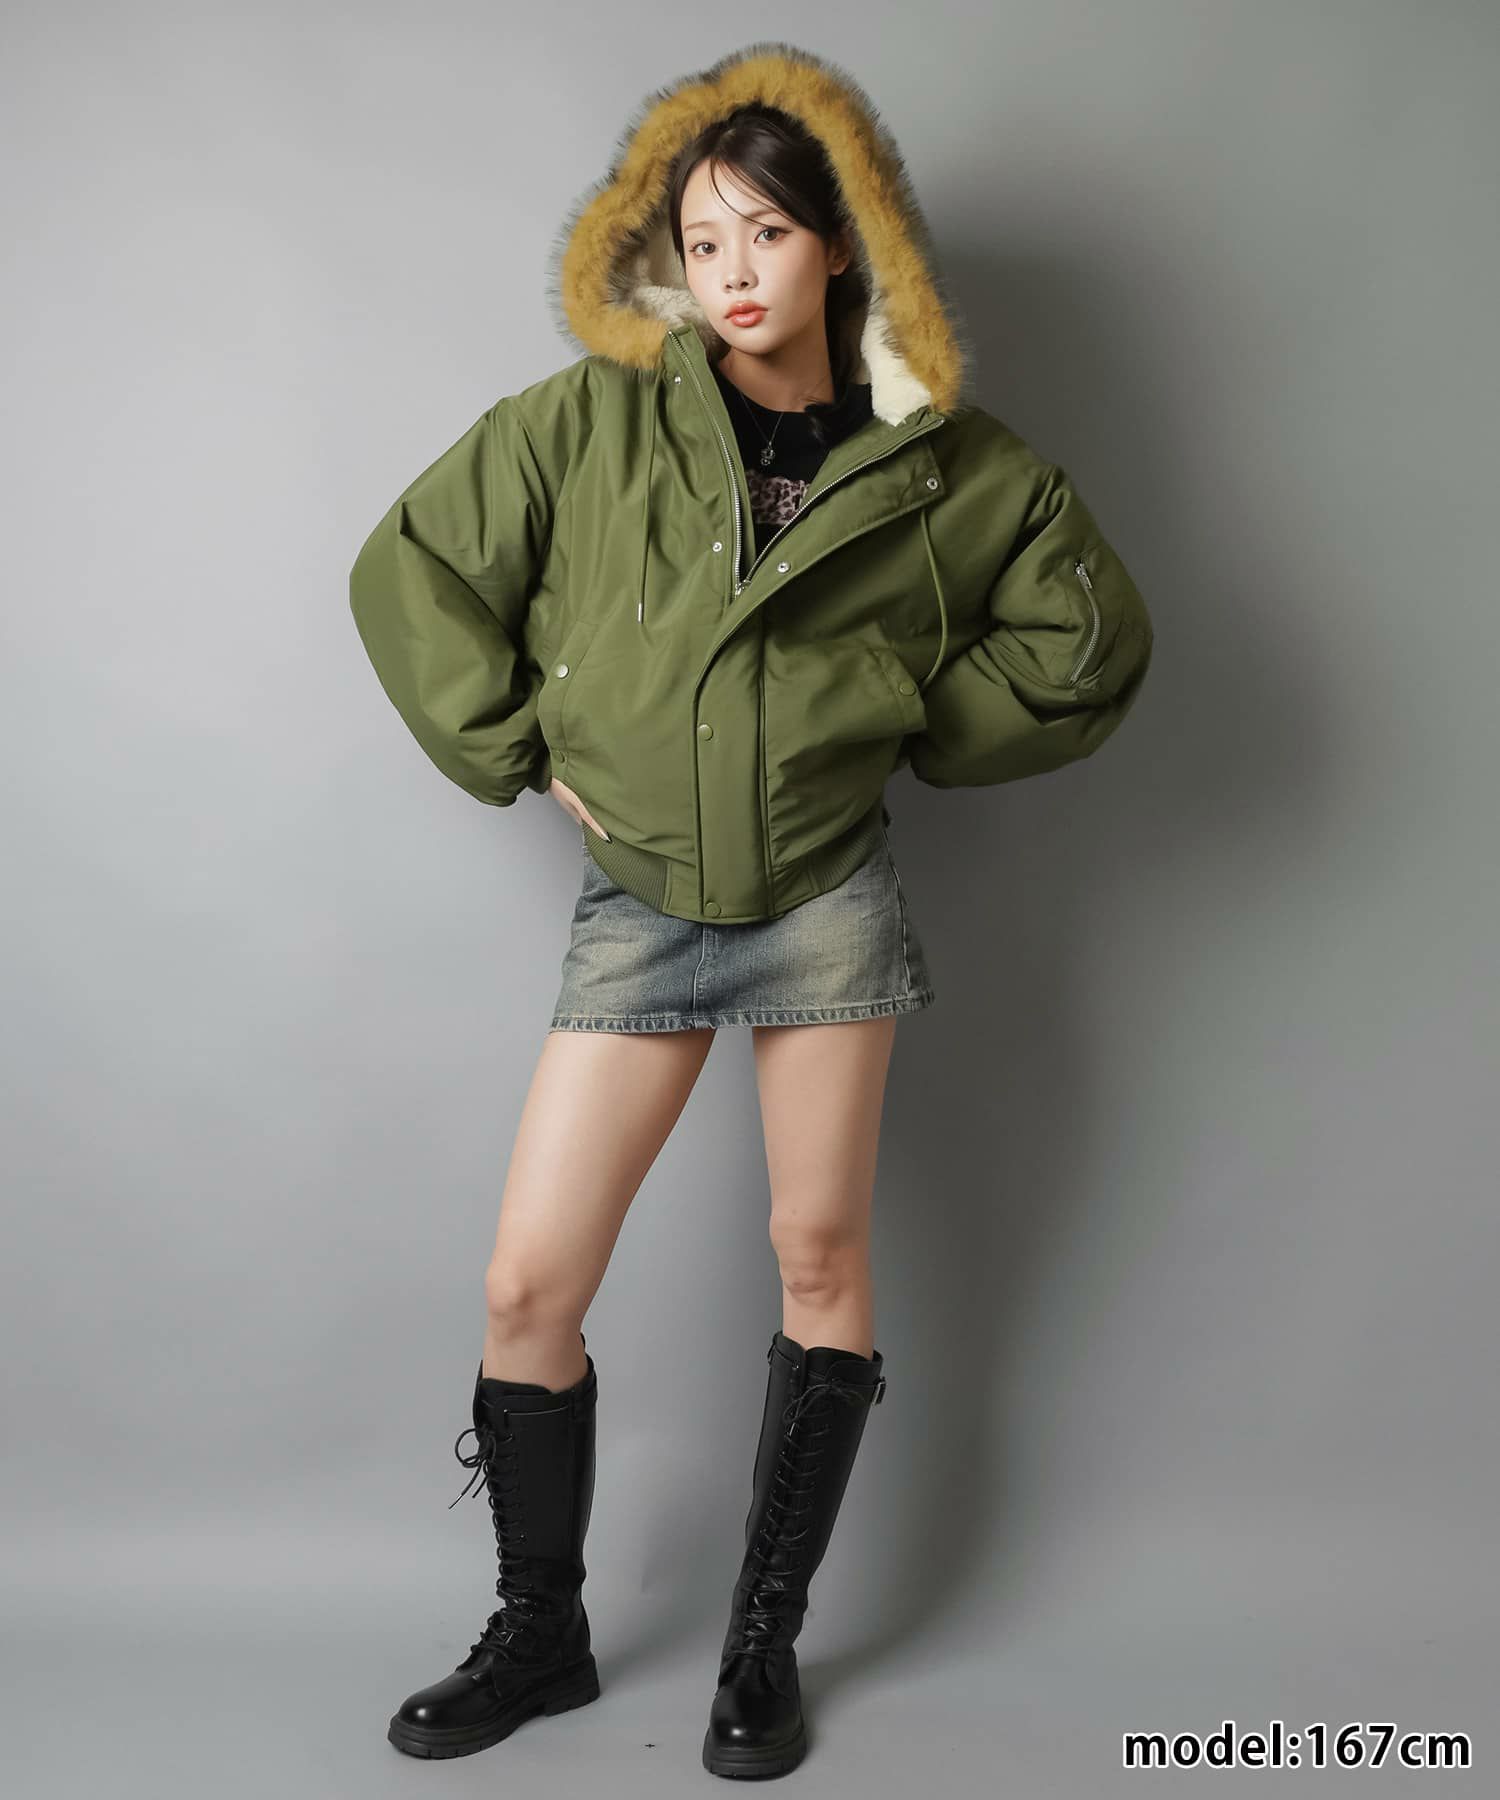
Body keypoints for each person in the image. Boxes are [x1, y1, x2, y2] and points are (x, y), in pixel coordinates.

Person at [348, 39, 1154, 1781]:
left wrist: (904, 722)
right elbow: (411, 568)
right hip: (641, 902)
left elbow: (1086, 643)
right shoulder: (594, 420)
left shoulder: (940, 461)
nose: (728, 272)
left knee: (820, 1256)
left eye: (765, 235)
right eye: (701, 240)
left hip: (823, 897)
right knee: (527, 1283)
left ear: (839, 246)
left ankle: (760, 1649)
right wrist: (516, 747)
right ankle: (542, 1634)